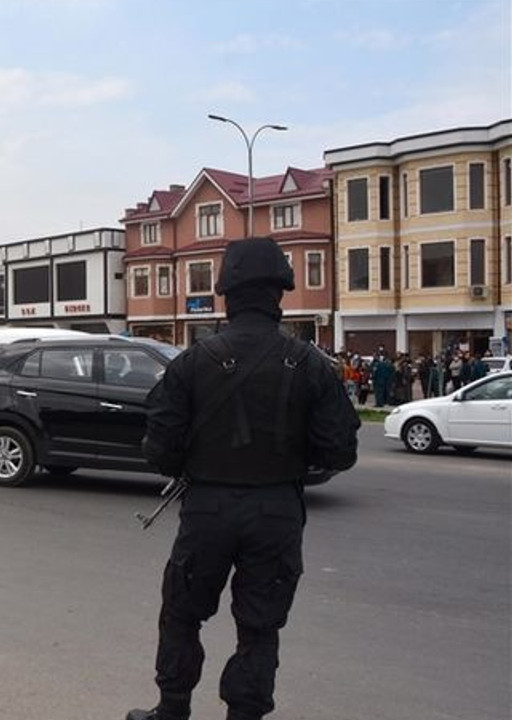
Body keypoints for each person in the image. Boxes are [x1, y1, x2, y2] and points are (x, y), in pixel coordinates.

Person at [130, 237, 360, 720]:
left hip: (208, 508)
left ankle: (171, 710)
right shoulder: (313, 365)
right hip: (277, 510)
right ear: (281, 293)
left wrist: (198, 460)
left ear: (226, 293)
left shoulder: (192, 363)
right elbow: (339, 450)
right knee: (259, 628)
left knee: (181, 614)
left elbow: (158, 448)